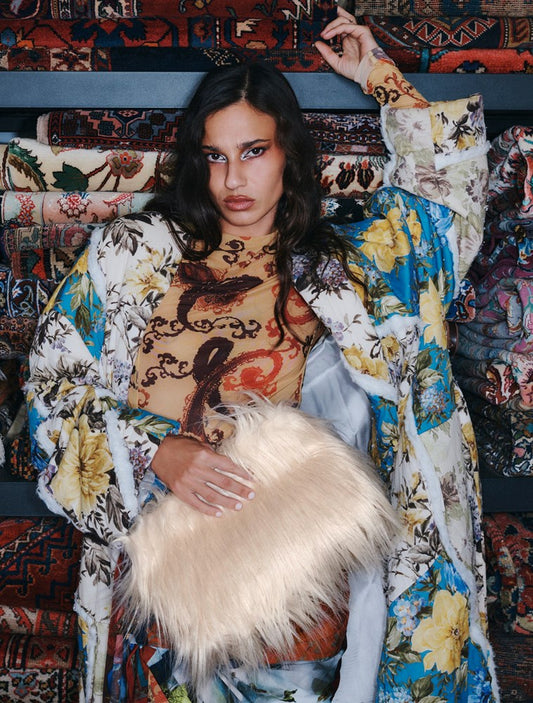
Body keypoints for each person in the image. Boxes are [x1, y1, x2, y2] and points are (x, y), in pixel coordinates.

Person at [26, 7, 499, 703]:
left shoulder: (356, 268)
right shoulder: (128, 258)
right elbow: (50, 394)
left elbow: (449, 202)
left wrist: (380, 75)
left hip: (304, 629)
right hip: (165, 617)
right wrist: (155, 451)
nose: (232, 179)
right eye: (214, 156)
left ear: (289, 155)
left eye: (253, 151)